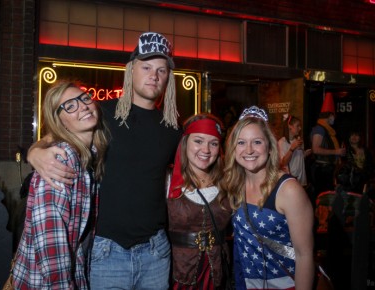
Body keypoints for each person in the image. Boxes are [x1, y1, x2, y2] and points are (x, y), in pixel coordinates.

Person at [27, 32, 181, 289]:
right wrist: (35, 152)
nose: (154, 75)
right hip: (107, 251)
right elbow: (55, 134)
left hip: (156, 251)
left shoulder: (173, 128)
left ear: (168, 78)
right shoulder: (101, 112)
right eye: (146, 67)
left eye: (161, 70)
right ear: (131, 70)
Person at [12, 81, 109, 289]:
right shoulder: (61, 159)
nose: (83, 106)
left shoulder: (89, 157)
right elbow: (50, 241)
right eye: (70, 106)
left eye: (84, 98)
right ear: (60, 122)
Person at [222, 106, 314, 290]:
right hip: (246, 283)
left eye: (257, 142)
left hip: (284, 284)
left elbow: (305, 255)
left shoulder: (288, 190)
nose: (248, 150)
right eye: (241, 142)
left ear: (270, 147)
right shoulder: (233, 184)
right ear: (233, 149)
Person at [167, 113, 232, 289]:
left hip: (218, 271)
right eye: (198, 141)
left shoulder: (228, 182)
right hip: (178, 274)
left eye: (213, 143)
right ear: (185, 142)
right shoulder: (167, 181)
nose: (206, 150)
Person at [310, 92, 346, 198]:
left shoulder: (327, 130)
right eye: (333, 115)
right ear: (330, 115)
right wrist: (336, 152)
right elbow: (315, 149)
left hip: (327, 168)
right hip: (322, 170)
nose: (334, 118)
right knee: (323, 197)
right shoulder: (320, 129)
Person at [278, 114, 311, 186]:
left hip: (301, 179)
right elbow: (283, 163)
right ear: (290, 126)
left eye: (300, 126)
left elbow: (297, 159)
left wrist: (305, 154)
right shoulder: (282, 142)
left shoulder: (299, 140)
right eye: (298, 126)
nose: (300, 128)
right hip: (290, 180)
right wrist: (292, 148)